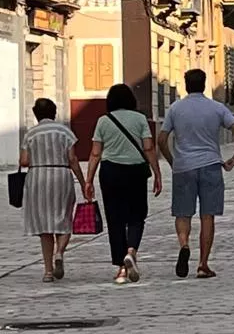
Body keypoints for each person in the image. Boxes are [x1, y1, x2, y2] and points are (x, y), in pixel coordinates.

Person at [158, 69, 234, 280]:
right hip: (210, 165)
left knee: (182, 213)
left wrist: (173, 161)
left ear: (186, 85)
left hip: (184, 167)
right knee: (208, 216)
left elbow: (161, 139)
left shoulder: (175, 108)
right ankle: (203, 265)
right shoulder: (217, 108)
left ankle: (184, 244)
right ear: (204, 84)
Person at [86, 83, 163, 285]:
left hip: (110, 172)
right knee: (137, 216)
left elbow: (95, 153)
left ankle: (121, 268)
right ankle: (131, 251)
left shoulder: (103, 121)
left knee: (115, 219)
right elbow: (148, 148)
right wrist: (157, 173)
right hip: (135, 172)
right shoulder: (140, 119)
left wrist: (88, 180)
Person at [18, 98, 85, 283]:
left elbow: (24, 161)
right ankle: (59, 252)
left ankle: (48, 271)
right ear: (54, 112)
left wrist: (39, 159)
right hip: (61, 176)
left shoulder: (31, 134)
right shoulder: (65, 132)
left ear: (36, 114)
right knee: (64, 219)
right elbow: (72, 159)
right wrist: (83, 183)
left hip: (38, 179)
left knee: (44, 227)